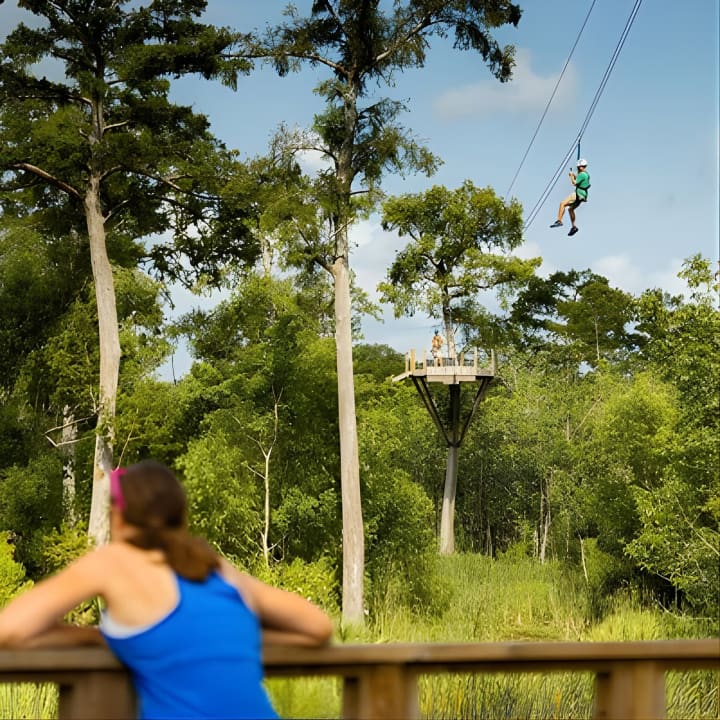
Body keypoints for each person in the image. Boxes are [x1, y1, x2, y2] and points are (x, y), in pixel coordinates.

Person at [0, 460, 333, 720]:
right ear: (181, 517)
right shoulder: (215, 568)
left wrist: (89, 638)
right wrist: (220, 640)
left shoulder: (114, 562)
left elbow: (10, 629)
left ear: (119, 515)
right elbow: (318, 627)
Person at [550, 158, 590, 236]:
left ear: (581, 167)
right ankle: (574, 226)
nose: (578, 168)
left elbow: (574, 183)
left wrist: (571, 176)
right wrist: (574, 176)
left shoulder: (582, 174)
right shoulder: (586, 174)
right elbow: (579, 181)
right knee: (570, 209)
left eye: (579, 167)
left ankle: (559, 220)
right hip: (583, 196)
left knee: (562, 204)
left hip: (578, 194)